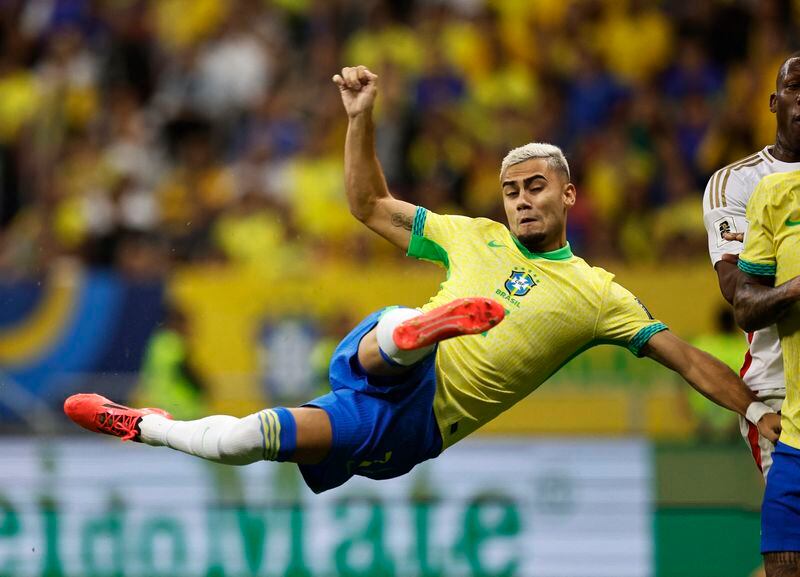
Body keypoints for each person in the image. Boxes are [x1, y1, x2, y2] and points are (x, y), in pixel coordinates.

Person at [64, 65, 781, 495]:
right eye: (510, 189)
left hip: (411, 423)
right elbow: (368, 206)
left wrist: (753, 409)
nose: (522, 198)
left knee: (241, 441)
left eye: (536, 186)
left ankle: (148, 424)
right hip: (377, 374)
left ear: (569, 195)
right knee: (374, 344)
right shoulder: (473, 234)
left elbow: (684, 355)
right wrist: (360, 118)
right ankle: (418, 330)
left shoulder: (600, 294)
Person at [701, 52, 800, 479]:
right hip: (779, 389)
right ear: (774, 101)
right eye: (796, 88)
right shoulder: (738, 182)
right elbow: (738, 291)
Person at [732, 54, 800, 577]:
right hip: (789, 414)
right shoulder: (762, 190)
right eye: (796, 89)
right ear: (775, 102)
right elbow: (743, 301)